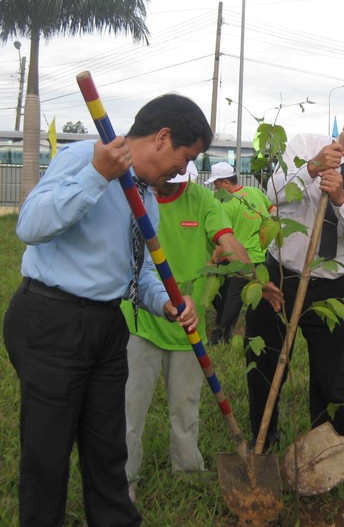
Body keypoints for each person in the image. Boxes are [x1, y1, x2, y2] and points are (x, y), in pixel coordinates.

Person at [3, 94, 207, 526]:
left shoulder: (146, 197)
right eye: (185, 157)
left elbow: (142, 271)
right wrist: (97, 176)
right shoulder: (83, 158)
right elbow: (30, 226)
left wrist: (168, 304)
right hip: (52, 320)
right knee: (48, 452)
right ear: (163, 137)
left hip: (108, 326)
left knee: (107, 450)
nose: (184, 170)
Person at [122, 161, 281, 502]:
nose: (166, 183)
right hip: (140, 322)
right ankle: (124, 481)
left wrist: (258, 279)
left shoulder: (202, 201)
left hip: (188, 324)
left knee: (186, 406)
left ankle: (188, 473)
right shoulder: (135, 197)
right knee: (129, 411)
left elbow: (228, 241)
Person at [244, 97, 344, 449]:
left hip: (330, 286)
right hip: (281, 275)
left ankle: (327, 447)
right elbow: (273, 192)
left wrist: (342, 199)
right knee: (265, 360)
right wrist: (310, 169)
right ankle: (263, 439)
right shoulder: (304, 146)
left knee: (331, 375)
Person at [207, 161, 276, 345]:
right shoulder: (256, 193)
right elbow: (273, 210)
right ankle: (224, 322)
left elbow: (224, 240)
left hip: (240, 258)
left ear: (225, 183)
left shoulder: (227, 205)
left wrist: (212, 259)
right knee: (228, 289)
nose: (216, 190)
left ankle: (221, 334)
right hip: (262, 256)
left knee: (232, 295)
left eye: (216, 185)